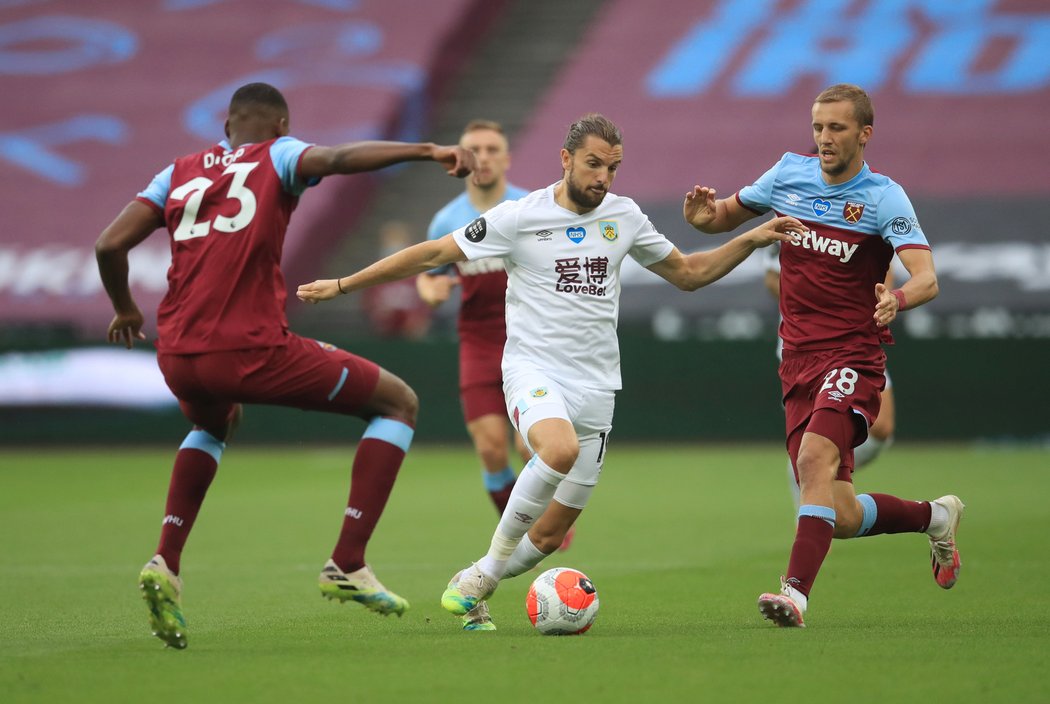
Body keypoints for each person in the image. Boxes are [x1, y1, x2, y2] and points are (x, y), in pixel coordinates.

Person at [297, 113, 805, 631]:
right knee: (555, 451)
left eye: (612, 167)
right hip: (532, 368)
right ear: (565, 159)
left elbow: (690, 274)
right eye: (592, 164)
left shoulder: (624, 217)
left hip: (599, 387)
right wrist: (343, 285)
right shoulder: (519, 217)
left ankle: (475, 579)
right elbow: (433, 252)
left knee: (548, 538)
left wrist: (754, 237)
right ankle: (485, 575)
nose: (602, 177)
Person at [95, 82, 475, 649]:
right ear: (281, 124)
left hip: (176, 354)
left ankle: (165, 562)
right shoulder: (278, 154)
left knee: (213, 422)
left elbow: (107, 245)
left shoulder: (175, 172)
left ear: (226, 126)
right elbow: (342, 159)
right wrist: (427, 150)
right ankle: (347, 561)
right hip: (250, 348)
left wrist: (125, 308)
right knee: (398, 402)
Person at [685, 83, 963, 628]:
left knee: (813, 462)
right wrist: (701, 215)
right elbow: (723, 216)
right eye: (818, 127)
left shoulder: (884, 197)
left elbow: (927, 278)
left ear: (865, 133)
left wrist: (897, 297)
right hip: (796, 361)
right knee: (838, 513)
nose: (824, 139)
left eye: (836, 128)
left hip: (853, 357)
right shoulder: (788, 172)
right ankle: (937, 516)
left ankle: (794, 594)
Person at [414, 120, 535, 519]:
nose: (482, 157)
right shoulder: (446, 221)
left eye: (491, 149)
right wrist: (430, 291)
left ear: (506, 158)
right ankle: (520, 529)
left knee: (530, 445)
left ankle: (539, 524)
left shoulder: (530, 209)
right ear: (458, 160)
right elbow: (430, 275)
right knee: (490, 449)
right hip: (479, 343)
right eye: (474, 150)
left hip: (531, 342)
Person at [764, 245, 897, 507]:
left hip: (856, 337)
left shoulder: (866, 212)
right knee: (814, 437)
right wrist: (820, 297)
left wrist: (877, 300)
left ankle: (813, 465)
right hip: (805, 344)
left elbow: (886, 267)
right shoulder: (792, 211)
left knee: (881, 427)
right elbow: (771, 277)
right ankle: (810, 469)